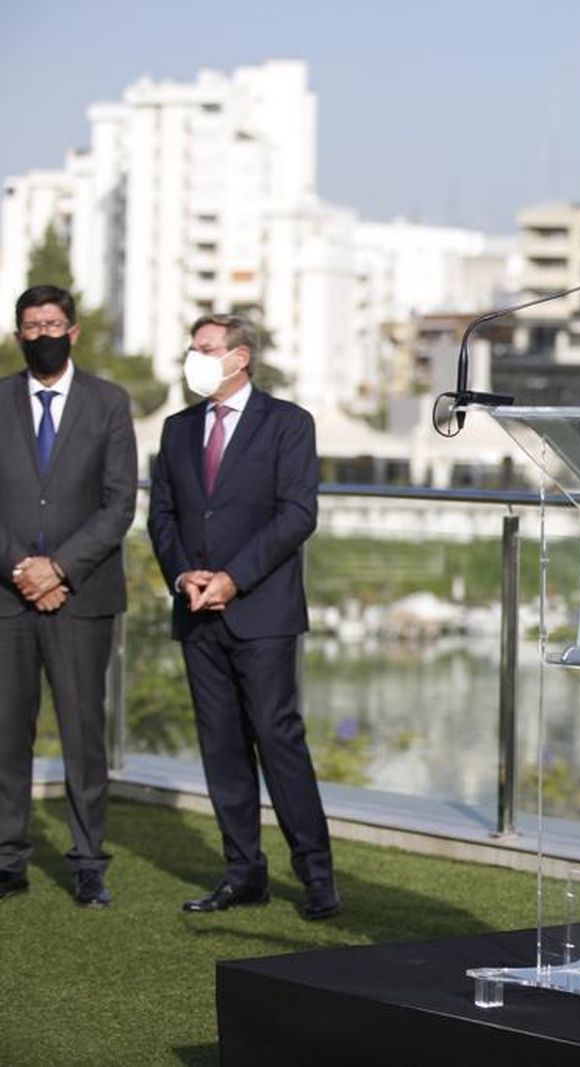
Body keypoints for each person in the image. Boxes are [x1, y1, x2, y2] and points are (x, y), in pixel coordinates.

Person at [147, 313, 339, 920]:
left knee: (279, 742)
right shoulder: (178, 430)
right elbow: (164, 516)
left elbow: (296, 514)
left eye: (205, 349)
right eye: (192, 348)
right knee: (221, 747)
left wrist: (234, 577)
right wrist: (184, 575)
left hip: (262, 613)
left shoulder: (287, 424)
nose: (194, 359)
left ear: (239, 357)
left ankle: (315, 876)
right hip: (197, 612)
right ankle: (243, 873)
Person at [0, 285, 136, 907]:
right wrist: (21, 569)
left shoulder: (109, 402)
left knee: (83, 732)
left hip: (82, 598)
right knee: (7, 732)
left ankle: (88, 862)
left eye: (52, 323)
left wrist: (58, 570)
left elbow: (119, 505)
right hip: (8, 598)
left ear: (73, 331)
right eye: (31, 325)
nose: (42, 333)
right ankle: (8, 858)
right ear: (18, 334)